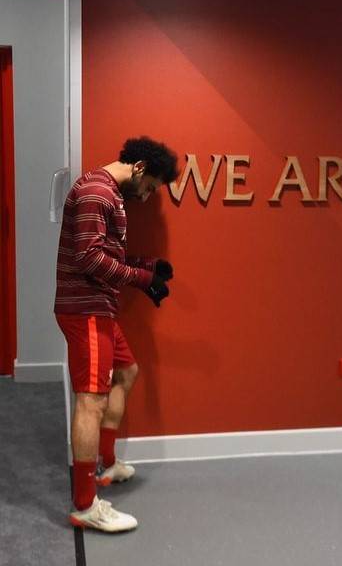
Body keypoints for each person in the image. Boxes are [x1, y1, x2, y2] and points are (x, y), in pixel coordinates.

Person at [54, 136, 178, 532]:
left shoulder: (110, 193)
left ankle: (107, 466)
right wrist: (141, 279)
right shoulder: (97, 191)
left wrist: (148, 266)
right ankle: (85, 505)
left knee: (126, 372)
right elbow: (88, 257)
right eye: (150, 187)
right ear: (139, 168)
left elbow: (106, 253)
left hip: (100, 306)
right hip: (86, 308)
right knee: (91, 400)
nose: (147, 196)